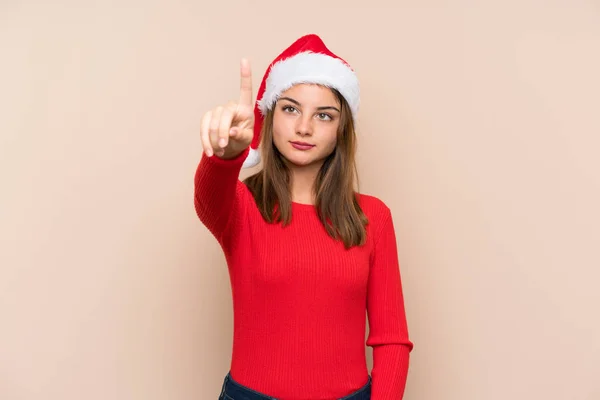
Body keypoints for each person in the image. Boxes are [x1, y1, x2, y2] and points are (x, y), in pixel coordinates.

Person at [194, 34, 414, 400]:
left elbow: (392, 341)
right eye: (291, 109)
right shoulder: (242, 203)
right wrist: (225, 156)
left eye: (324, 115)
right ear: (271, 114)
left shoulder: (373, 217)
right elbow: (207, 199)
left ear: (341, 129)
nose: (304, 128)